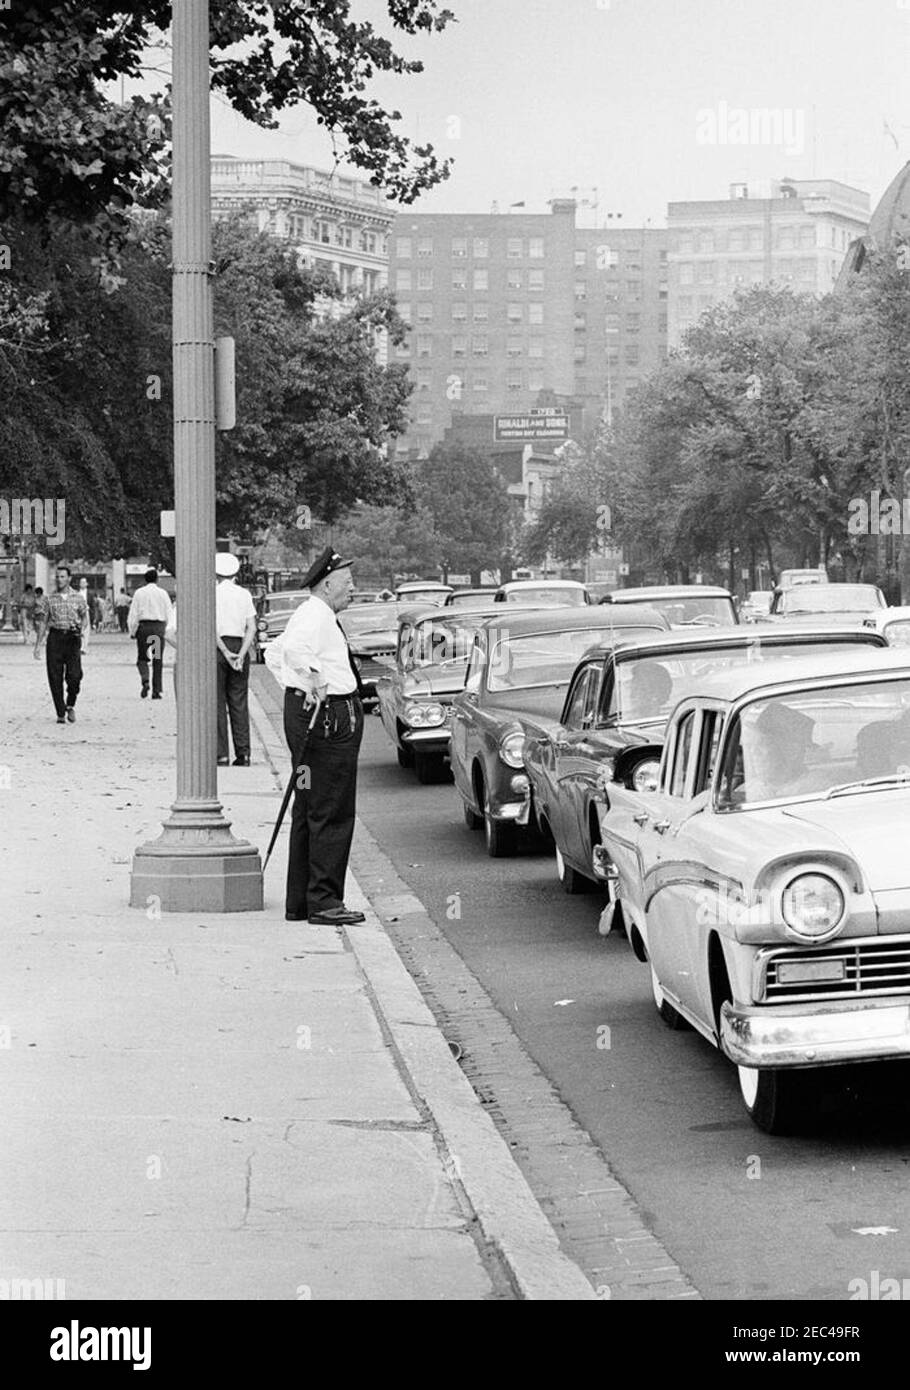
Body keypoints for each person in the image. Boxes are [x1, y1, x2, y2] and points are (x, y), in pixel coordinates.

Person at [265, 546, 366, 926]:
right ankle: (324, 901)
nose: (352, 588)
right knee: (332, 809)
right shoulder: (315, 615)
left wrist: (297, 690)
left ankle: (302, 900)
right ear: (326, 585)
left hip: (314, 714)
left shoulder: (312, 613)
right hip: (330, 719)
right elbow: (290, 651)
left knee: (309, 807)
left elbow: (275, 653)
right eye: (347, 582)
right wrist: (316, 682)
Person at [215, 552, 257, 766]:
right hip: (240, 645)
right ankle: (244, 753)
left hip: (218, 649)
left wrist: (224, 651)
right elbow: (252, 627)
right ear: (235, 573)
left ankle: (221, 754)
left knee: (217, 702)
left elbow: (210, 627)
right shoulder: (244, 595)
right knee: (239, 701)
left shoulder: (211, 593)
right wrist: (240, 653)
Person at [34, 563, 89, 723]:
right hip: (55, 639)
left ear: (69, 578)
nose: (59, 579)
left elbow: (85, 617)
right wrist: (38, 645)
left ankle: (70, 704)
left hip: (72, 638)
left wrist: (81, 627)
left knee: (75, 676)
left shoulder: (78, 597)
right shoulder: (49, 599)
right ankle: (60, 712)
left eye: (62, 576)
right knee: (54, 676)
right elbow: (43, 622)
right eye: (57, 577)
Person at [740, 702, 818, 801]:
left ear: (793, 750)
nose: (754, 752)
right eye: (751, 745)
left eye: (764, 744)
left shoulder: (816, 792)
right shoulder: (746, 790)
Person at [127, 568, 172, 699]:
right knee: (157, 659)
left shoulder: (139, 593)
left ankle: (145, 680)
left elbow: (133, 614)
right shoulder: (163, 593)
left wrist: (132, 630)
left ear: (145, 579)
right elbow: (169, 612)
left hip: (144, 629)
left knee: (142, 658)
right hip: (157, 630)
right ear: (157, 579)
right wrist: (168, 629)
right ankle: (156, 690)